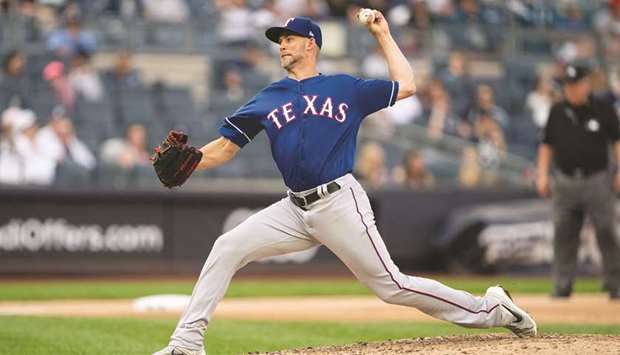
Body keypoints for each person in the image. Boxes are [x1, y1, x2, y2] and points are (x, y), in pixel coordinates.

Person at [154, 14, 536, 355]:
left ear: (311, 44)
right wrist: (194, 161)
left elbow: (407, 84)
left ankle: (493, 309)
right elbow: (224, 147)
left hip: (339, 202)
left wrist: (383, 34)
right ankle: (186, 342)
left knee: (391, 286)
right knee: (228, 246)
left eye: (289, 37)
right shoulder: (268, 97)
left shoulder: (345, 87)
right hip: (293, 208)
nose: (282, 44)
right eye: (279, 39)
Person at [536, 64, 620, 300]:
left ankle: (616, 283)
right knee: (564, 232)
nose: (570, 90)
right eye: (567, 86)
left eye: (574, 85)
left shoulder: (604, 110)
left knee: (607, 230)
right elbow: (546, 145)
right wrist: (542, 174)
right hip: (565, 180)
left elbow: (617, 141)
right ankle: (562, 284)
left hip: (598, 179)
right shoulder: (557, 111)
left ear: (586, 84)